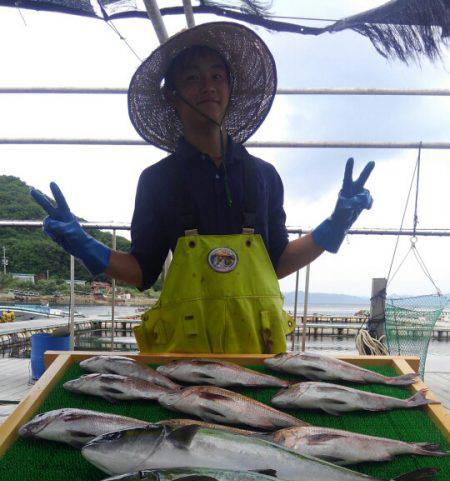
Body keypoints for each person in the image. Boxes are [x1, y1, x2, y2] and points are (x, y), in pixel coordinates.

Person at [31, 21, 374, 354]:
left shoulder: (264, 176)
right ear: (171, 95)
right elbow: (142, 271)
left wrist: (334, 227)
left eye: (217, 76)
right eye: (192, 77)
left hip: (259, 352)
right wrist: (84, 245)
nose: (207, 85)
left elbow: (277, 262)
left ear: (229, 89)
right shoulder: (157, 180)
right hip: (184, 362)